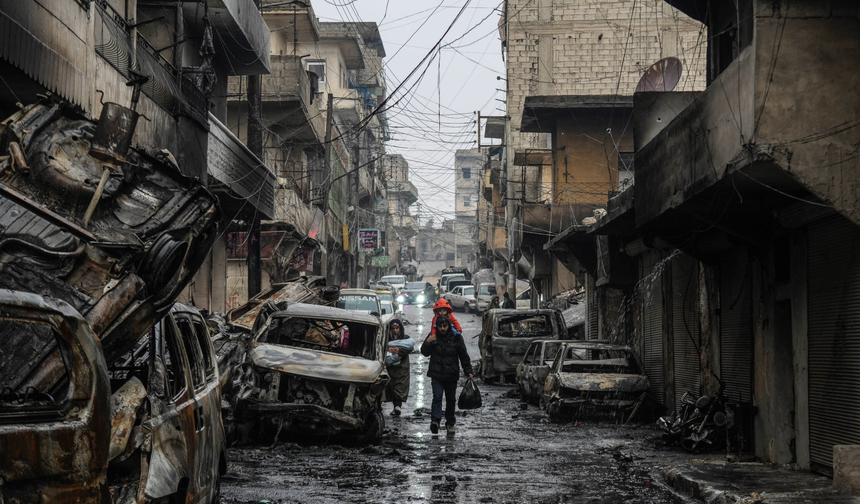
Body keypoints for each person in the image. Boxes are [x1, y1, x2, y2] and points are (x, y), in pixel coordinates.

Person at [420, 315, 472, 435]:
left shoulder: (456, 338)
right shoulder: (433, 337)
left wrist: (468, 371)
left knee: (451, 400)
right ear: (436, 327)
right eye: (440, 326)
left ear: (449, 326)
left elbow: (463, 355)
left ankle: (450, 423)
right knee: (437, 397)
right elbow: (424, 352)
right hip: (437, 375)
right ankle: (435, 421)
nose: (442, 328)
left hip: (451, 375)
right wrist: (428, 342)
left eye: (445, 326)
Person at [383, 319, 412, 416]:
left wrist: (399, 351)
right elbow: (381, 347)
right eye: (393, 328)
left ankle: (397, 406)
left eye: (397, 328)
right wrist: (388, 349)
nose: (395, 330)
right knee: (391, 385)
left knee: (400, 386)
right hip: (390, 368)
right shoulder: (387, 339)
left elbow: (409, 348)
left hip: (401, 368)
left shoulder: (405, 339)